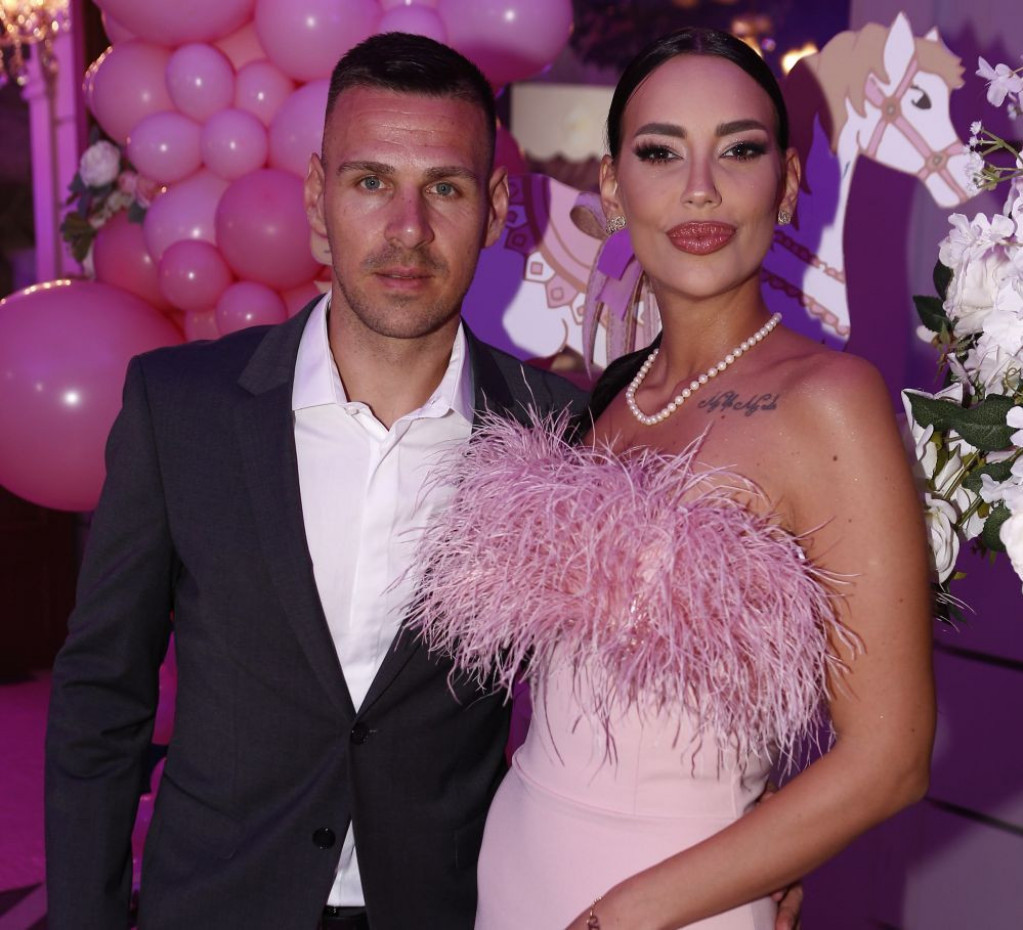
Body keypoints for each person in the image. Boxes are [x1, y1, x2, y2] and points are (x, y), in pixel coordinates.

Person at [43, 32, 586, 930]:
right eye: (371, 182)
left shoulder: (556, 430)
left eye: (444, 188)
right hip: (215, 907)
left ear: (493, 209)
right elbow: (102, 695)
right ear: (317, 199)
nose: (407, 229)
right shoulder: (182, 408)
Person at [408, 27, 936, 930]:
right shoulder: (608, 395)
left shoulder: (829, 400)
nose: (700, 188)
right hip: (518, 860)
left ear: (788, 181)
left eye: (738, 150)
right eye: (660, 153)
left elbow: (889, 760)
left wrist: (632, 911)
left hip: (675, 900)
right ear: (613, 188)